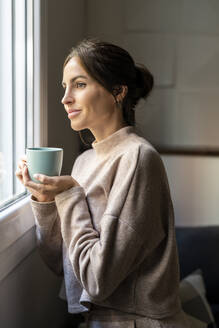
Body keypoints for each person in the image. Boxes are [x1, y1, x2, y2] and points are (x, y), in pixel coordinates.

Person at [16, 39, 205, 328]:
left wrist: (70, 194)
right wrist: (44, 203)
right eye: (64, 86)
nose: (65, 98)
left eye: (78, 84)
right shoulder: (83, 162)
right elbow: (65, 267)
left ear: (118, 91)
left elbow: (96, 279)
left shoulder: (138, 158)